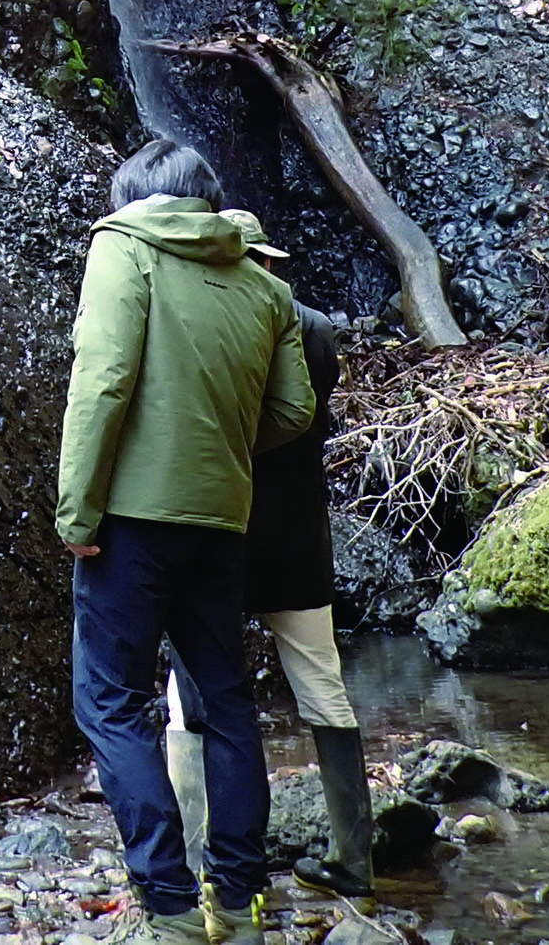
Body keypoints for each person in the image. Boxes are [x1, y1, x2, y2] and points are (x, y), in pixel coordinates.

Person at [57, 137, 315, 945]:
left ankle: (167, 907)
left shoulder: (122, 248)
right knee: (228, 706)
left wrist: (77, 513)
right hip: (220, 524)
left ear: (136, 196)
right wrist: (219, 447)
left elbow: (101, 382)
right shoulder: (261, 282)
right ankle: (236, 902)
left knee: (112, 704)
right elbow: (293, 410)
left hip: (130, 523)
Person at [167, 305, 370, 898]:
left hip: (221, 540)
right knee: (322, 685)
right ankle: (356, 862)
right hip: (298, 544)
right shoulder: (313, 328)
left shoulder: (209, 320)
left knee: (192, 698)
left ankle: (197, 858)